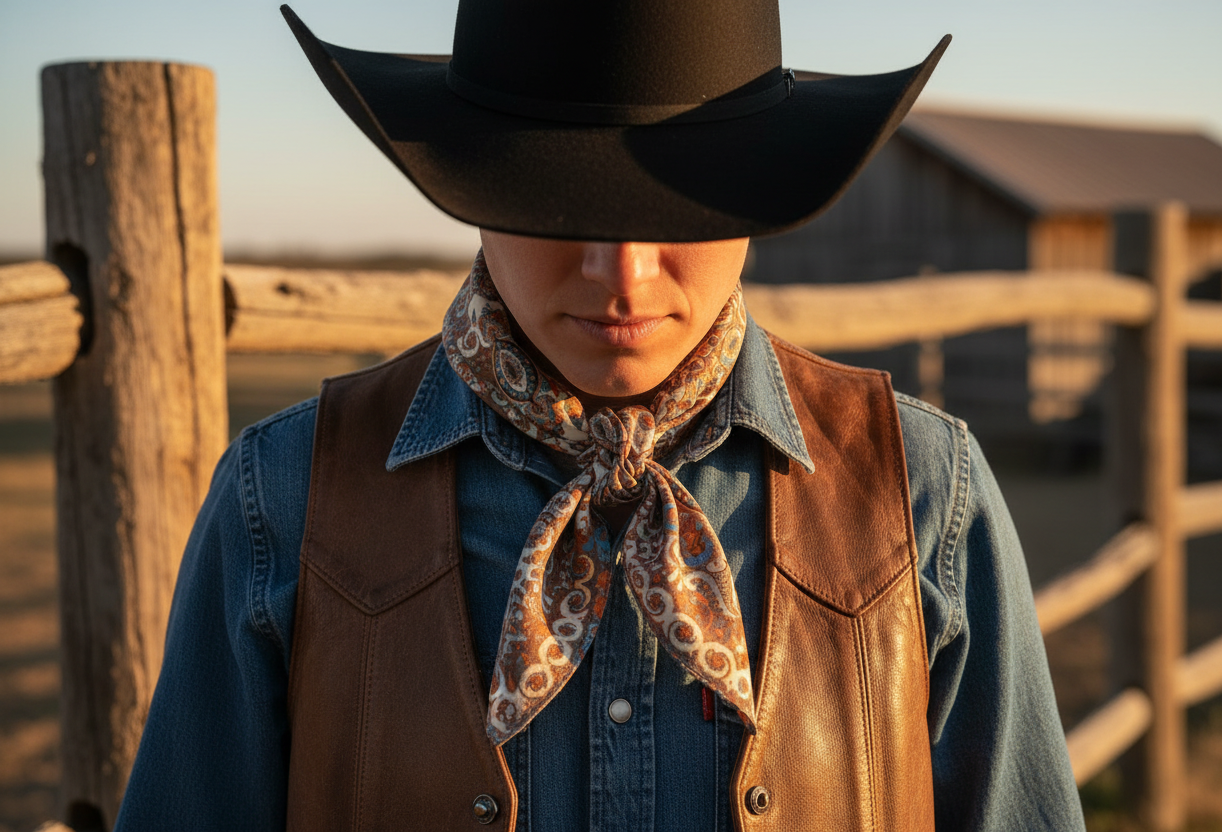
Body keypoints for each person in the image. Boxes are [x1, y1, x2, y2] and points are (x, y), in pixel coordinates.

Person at [115, 1, 1084, 830]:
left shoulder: (923, 498)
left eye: (682, 197)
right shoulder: (281, 508)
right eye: (557, 196)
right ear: (474, 186)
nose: (620, 272)